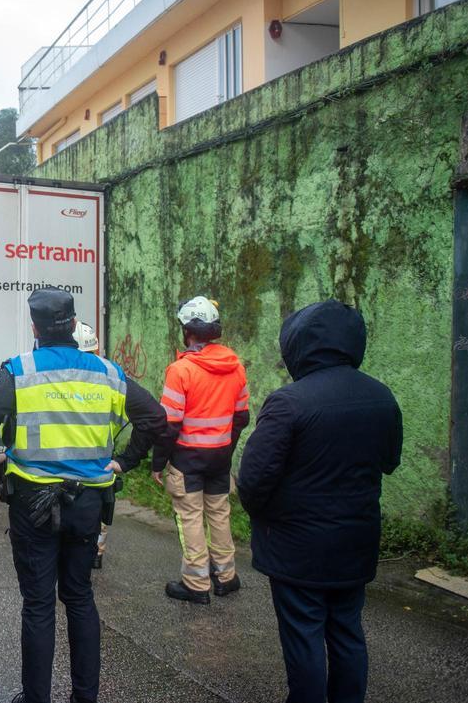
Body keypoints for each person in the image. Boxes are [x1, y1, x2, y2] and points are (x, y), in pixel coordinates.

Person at [0, 288, 153, 703]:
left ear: (35, 327)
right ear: (72, 324)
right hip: (88, 504)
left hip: (32, 502)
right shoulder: (108, 373)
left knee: (38, 604)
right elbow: (155, 418)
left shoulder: (20, 370)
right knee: (80, 596)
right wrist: (125, 461)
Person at [237, 300, 402, 703]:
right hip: (356, 542)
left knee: (304, 636)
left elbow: (254, 480)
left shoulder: (288, 402)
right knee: (347, 631)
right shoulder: (382, 397)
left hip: (298, 550)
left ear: (298, 345)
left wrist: (264, 516)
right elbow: (389, 462)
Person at [155, 295, 249, 604]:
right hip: (220, 456)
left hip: (187, 458)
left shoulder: (180, 370)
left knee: (191, 517)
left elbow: (169, 425)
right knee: (219, 514)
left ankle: (196, 584)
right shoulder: (235, 365)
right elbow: (242, 417)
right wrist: (225, 448)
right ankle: (226, 577)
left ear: (187, 330)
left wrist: (158, 462)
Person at [70, 321, 169, 570]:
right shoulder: (111, 379)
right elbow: (155, 416)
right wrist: (127, 460)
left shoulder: (49, 378)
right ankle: (95, 552)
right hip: (98, 470)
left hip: (52, 472)